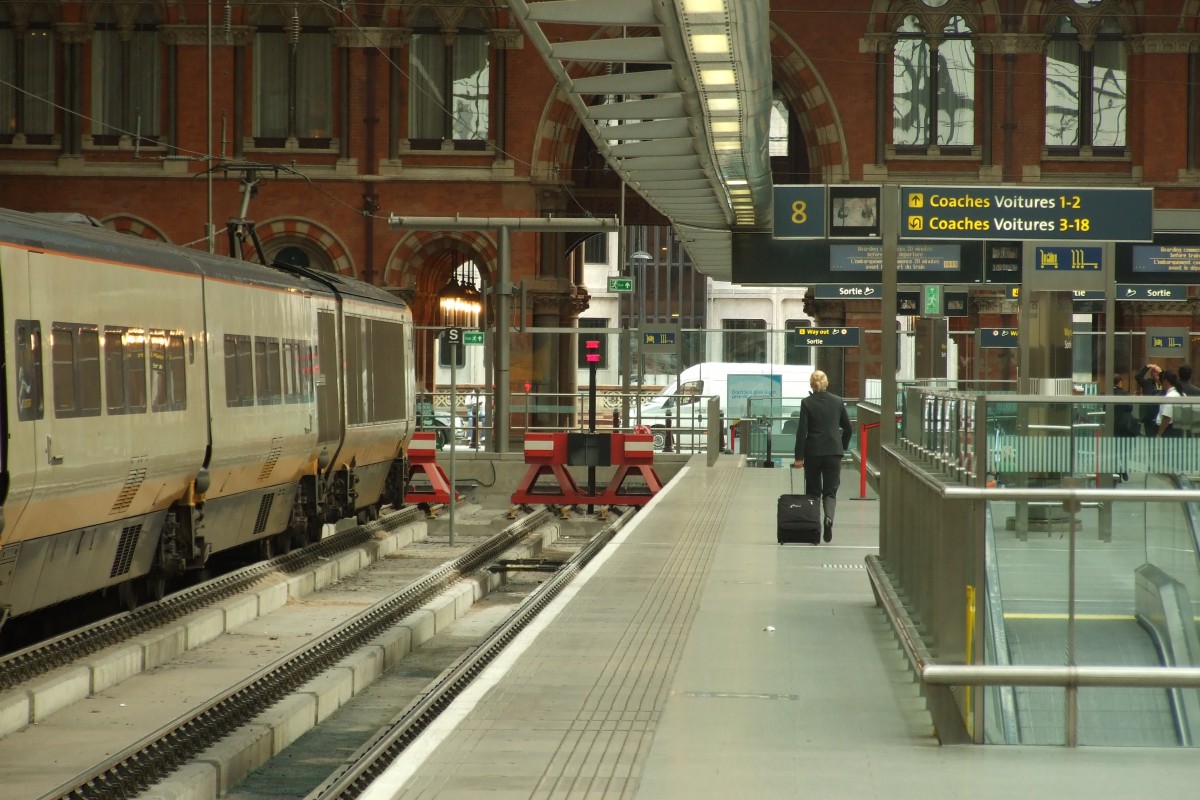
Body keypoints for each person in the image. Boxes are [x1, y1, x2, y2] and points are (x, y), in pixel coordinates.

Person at [791, 370, 853, 542]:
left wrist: (799, 457)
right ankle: (829, 518)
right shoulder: (837, 401)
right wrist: (842, 446)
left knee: (813, 492)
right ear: (827, 383)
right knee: (830, 492)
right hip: (833, 452)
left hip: (813, 453)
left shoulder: (807, 403)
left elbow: (802, 431)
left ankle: (814, 528)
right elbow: (848, 428)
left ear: (812, 385)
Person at [1136, 363, 1162, 438]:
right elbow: (1138, 376)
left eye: (1158, 371)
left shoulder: (1165, 384)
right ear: (1151, 374)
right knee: (1150, 439)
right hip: (1149, 417)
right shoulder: (1147, 383)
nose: (1157, 373)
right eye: (1154, 371)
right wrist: (1149, 366)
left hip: (1161, 416)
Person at [1157, 370, 1182, 438]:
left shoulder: (1171, 396)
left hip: (1169, 431)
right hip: (1176, 430)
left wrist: (1159, 434)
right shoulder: (1180, 394)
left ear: (1165, 381)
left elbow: (1167, 418)